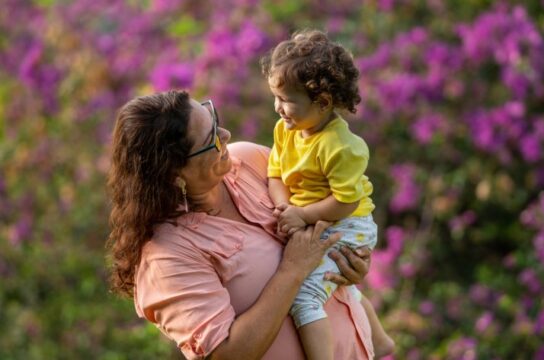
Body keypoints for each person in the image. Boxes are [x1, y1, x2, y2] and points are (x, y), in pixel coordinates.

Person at [106, 90, 376, 359]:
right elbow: (226, 354)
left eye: (214, 120)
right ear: (175, 173)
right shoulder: (166, 257)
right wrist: (292, 270)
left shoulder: (248, 160)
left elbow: (332, 208)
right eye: (211, 138)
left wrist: (350, 262)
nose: (225, 135)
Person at [261, 29, 395, 360]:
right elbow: (275, 173)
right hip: (317, 217)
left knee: (305, 295)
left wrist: (303, 216)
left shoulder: (341, 147)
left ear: (321, 103)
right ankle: (380, 341)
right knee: (334, 280)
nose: (278, 108)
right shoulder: (287, 130)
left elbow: (346, 201)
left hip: (348, 223)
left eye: (287, 100)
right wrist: (285, 207)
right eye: (275, 98)